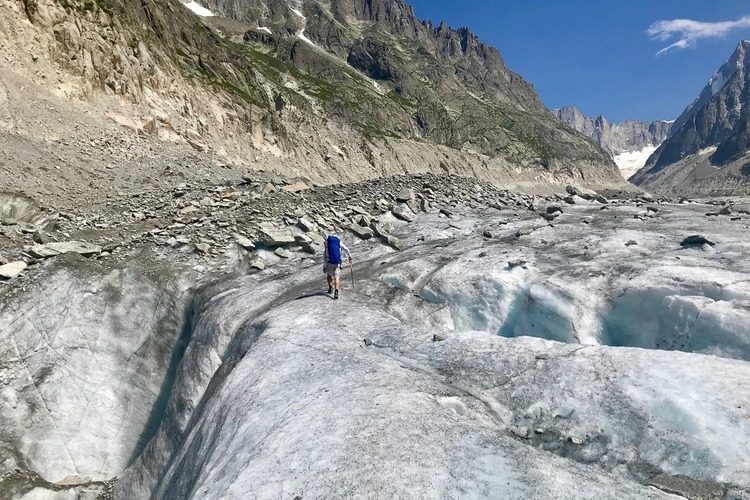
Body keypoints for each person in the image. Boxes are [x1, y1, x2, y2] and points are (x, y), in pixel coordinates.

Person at [323, 234, 352, 299]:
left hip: (329, 262)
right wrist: (350, 256)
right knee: (337, 278)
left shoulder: (327, 244)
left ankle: (330, 287)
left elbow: (324, 256)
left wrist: (324, 266)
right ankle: (336, 291)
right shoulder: (339, 243)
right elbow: (346, 249)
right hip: (337, 263)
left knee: (329, 275)